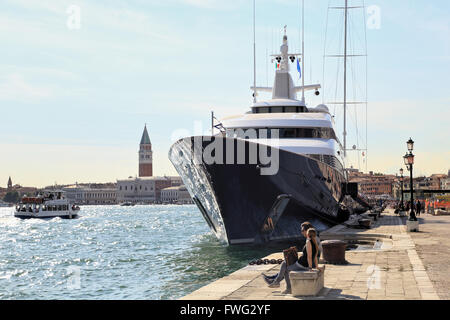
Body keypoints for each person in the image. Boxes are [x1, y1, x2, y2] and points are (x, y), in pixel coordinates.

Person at [263, 227, 319, 294]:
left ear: (308, 233)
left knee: (286, 269)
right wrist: (317, 266)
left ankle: (286, 287)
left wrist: (310, 268)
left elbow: (309, 257)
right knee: (284, 263)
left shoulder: (308, 242)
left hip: (302, 265)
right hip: (302, 264)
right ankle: (277, 282)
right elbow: (315, 257)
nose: (302, 232)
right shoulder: (314, 243)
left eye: (303, 231)